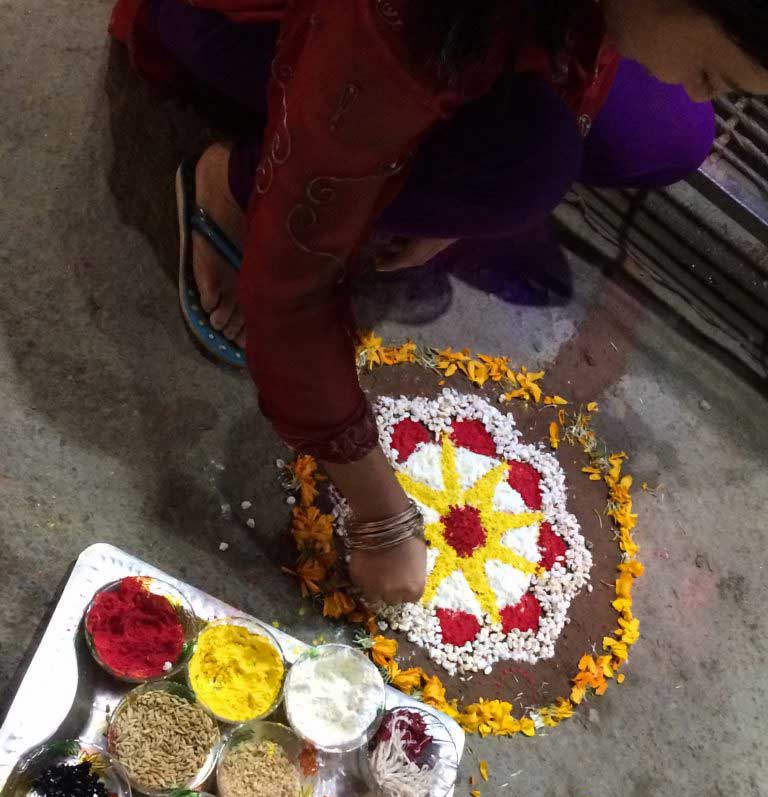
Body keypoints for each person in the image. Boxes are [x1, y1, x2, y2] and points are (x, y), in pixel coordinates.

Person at [110, 0, 768, 607]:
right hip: (233, 23)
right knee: (526, 167)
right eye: (716, 74)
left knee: (671, 134)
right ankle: (234, 183)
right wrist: (382, 516)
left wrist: (457, 204)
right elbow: (288, 290)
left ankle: (430, 164)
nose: (707, 89)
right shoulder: (400, 24)